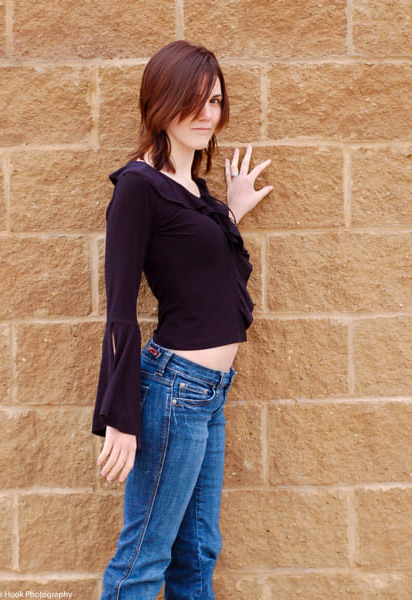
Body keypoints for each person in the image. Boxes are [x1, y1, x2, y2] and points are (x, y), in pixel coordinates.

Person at [92, 40, 273, 600]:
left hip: (209, 394)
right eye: (192, 99)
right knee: (144, 558)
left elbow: (207, 278)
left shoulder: (195, 191)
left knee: (197, 553)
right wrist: (121, 416)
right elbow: (120, 309)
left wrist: (230, 210)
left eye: (214, 100)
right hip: (173, 392)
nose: (205, 114)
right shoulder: (138, 187)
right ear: (160, 102)